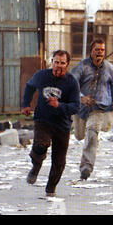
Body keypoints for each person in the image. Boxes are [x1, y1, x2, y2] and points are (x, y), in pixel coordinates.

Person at [22, 50, 80, 197]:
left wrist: (59, 106)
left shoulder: (72, 82)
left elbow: (76, 106)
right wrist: (25, 104)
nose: (58, 66)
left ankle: (50, 190)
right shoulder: (41, 75)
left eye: (62, 63)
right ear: (51, 61)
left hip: (62, 124)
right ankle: (36, 167)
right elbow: (29, 87)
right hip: (43, 120)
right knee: (41, 144)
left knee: (59, 162)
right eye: (56, 62)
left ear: (67, 64)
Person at [70, 38, 113, 180]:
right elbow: (72, 84)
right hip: (81, 107)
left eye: (102, 50)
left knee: (92, 134)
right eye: (97, 50)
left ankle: (86, 167)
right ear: (91, 51)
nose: (100, 52)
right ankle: (80, 133)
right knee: (80, 135)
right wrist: (81, 97)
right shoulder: (81, 66)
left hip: (99, 107)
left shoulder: (110, 68)